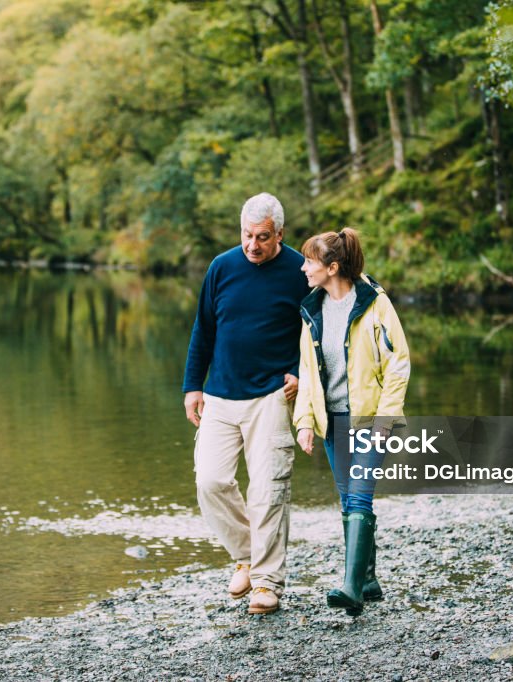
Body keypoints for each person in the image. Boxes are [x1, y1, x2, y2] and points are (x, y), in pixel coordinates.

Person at [182, 193, 313, 615]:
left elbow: (314, 330)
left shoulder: (298, 270)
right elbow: (203, 328)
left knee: (268, 490)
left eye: (262, 237)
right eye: (247, 235)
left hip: (272, 395)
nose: (253, 245)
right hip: (220, 394)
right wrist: (192, 385)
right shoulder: (222, 267)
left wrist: (299, 371)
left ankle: (267, 583)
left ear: (280, 234)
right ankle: (246, 555)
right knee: (211, 481)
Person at [293, 227, 410, 616]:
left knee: (359, 495)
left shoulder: (375, 303)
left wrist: (385, 419)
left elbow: (399, 364)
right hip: (333, 420)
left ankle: (350, 589)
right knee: (348, 500)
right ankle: (369, 579)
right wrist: (305, 421)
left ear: (333, 266)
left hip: (371, 419)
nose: (304, 268)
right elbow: (308, 373)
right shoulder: (312, 310)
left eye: (310, 261)